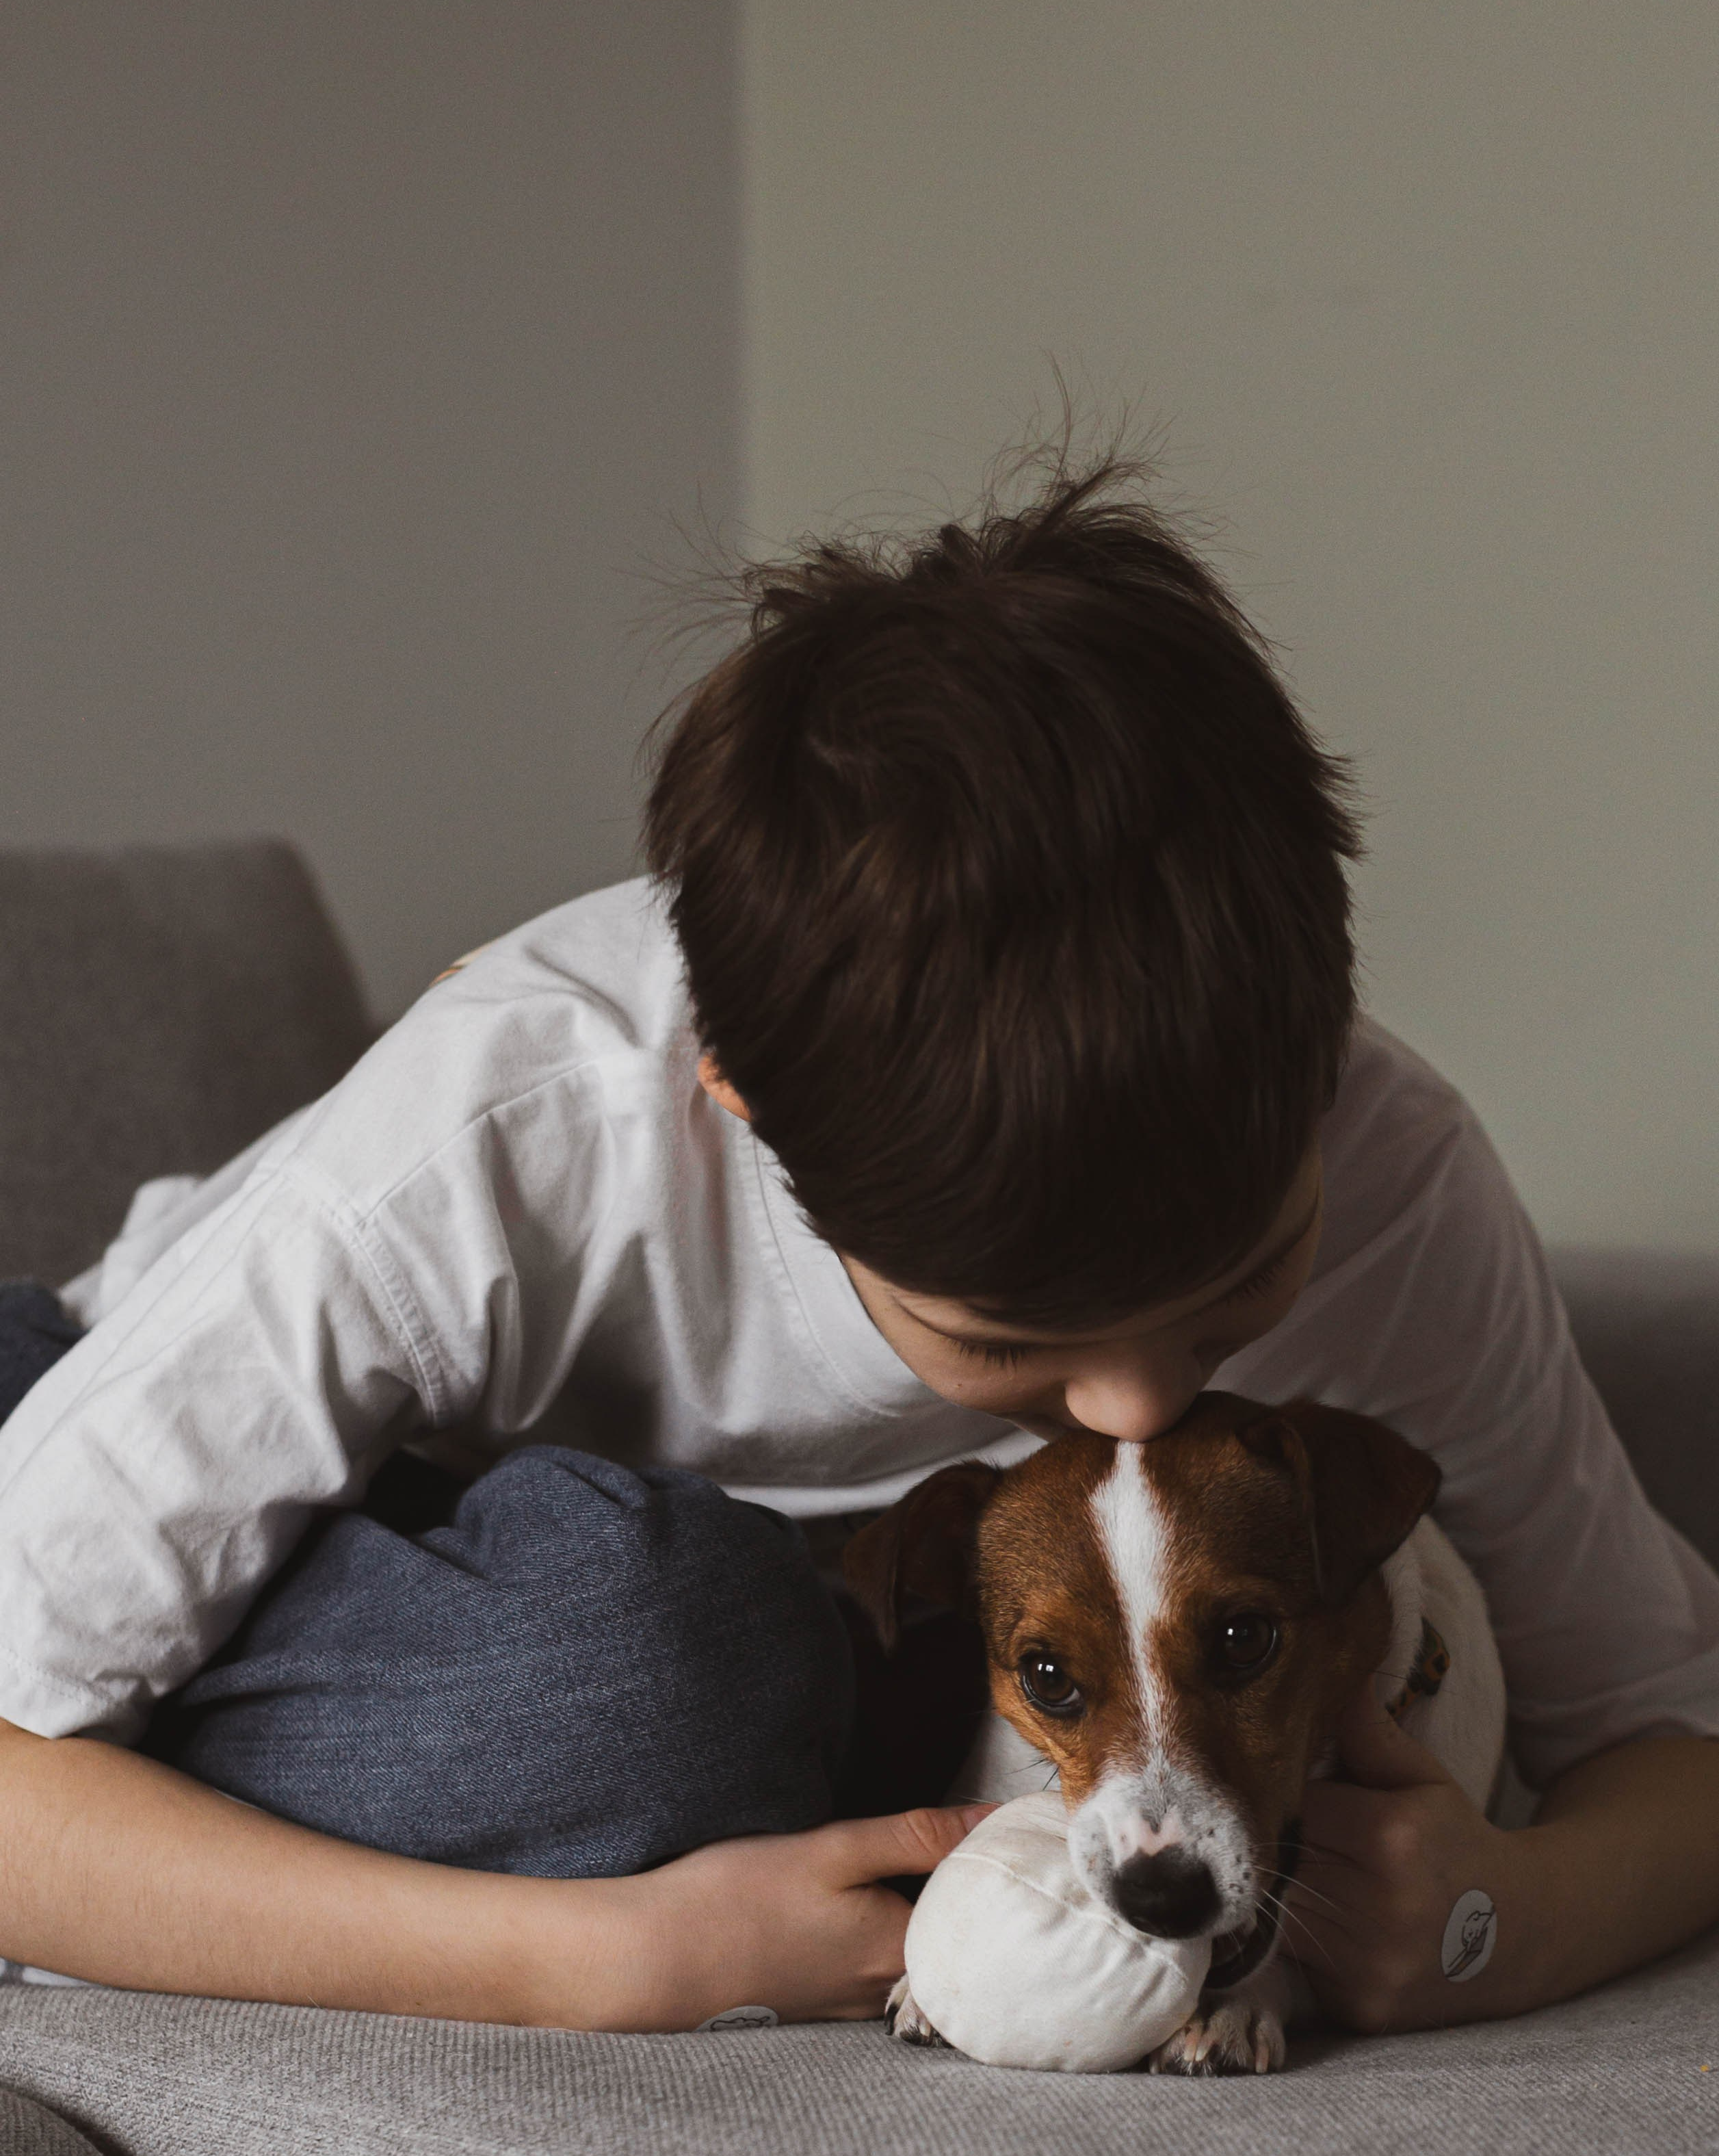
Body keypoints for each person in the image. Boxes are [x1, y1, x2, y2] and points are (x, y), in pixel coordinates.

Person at [1, 456, 1716, 2038]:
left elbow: (1670, 1725)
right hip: (91, 1441)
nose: (1129, 1411)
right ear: (734, 1107)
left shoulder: (1384, 1161)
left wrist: (1509, 1914)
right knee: (676, 1664)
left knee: (779, 1662)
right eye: (1003, 1341)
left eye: (1241, 1284)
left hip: (554, 1588)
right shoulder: (506, 1138)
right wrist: (597, 1954)